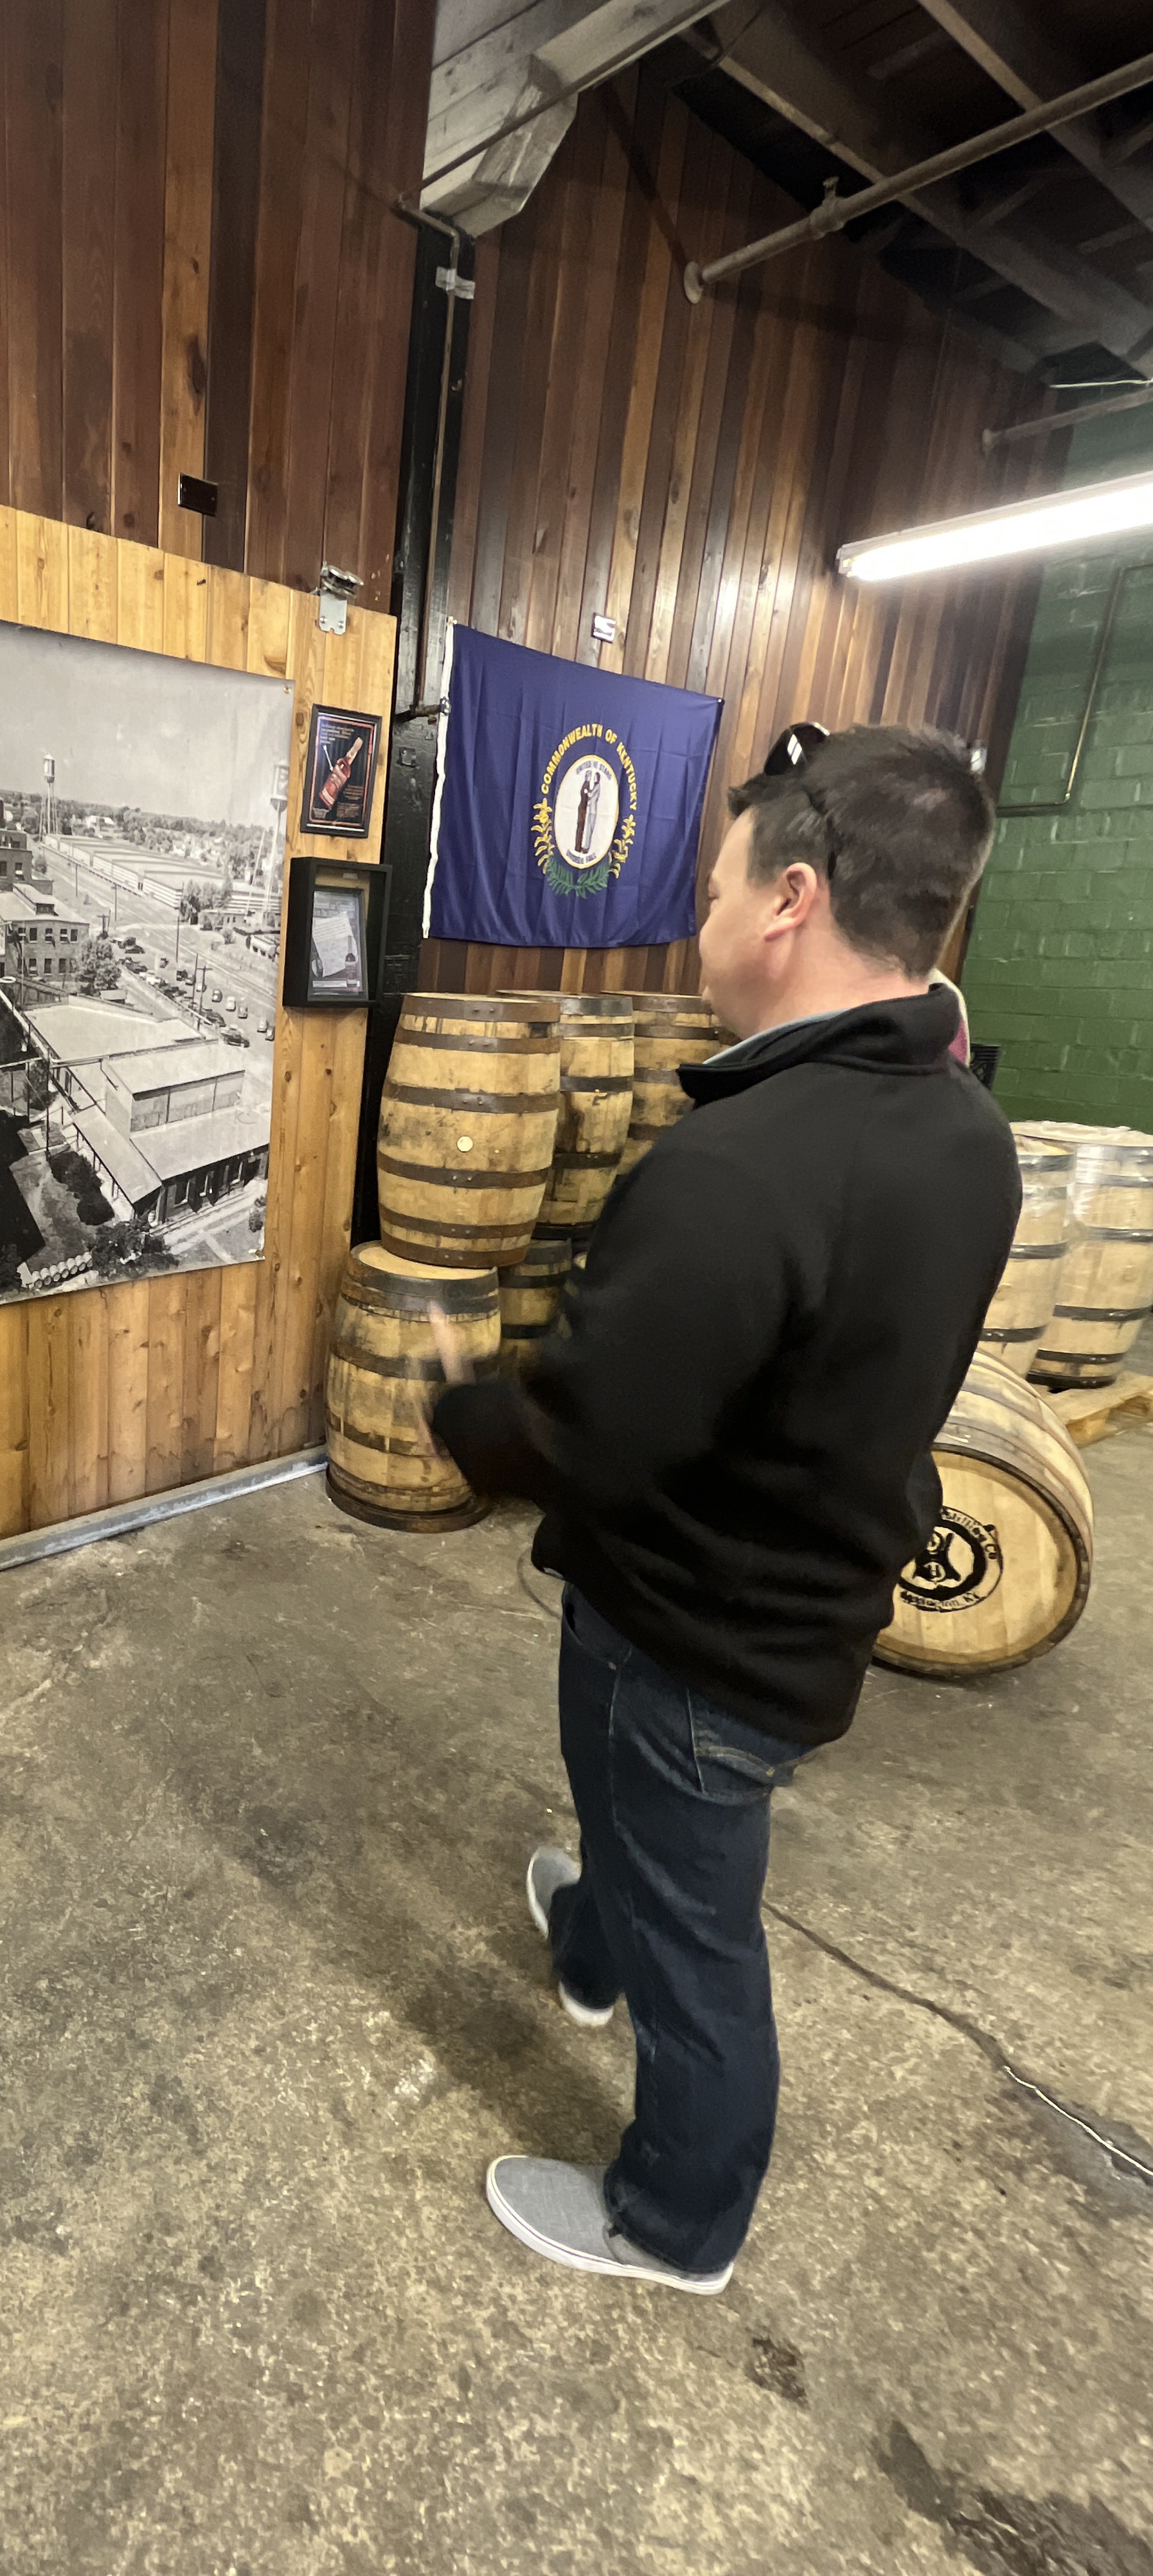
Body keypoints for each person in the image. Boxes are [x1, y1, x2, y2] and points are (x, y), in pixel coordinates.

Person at [431, 722, 1019, 2294]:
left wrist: (461, 1411)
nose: (697, 922)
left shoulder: (742, 1168)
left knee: (703, 1936)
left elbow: (586, 1436)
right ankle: (589, 1940)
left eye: (710, 889)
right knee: (645, 1841)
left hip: (696, 1632)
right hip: (791, 1599)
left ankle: (674, 2220)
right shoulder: (964, 1128)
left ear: (793, 899)